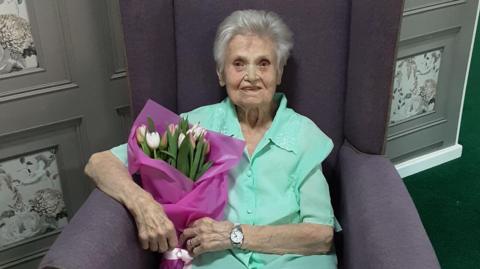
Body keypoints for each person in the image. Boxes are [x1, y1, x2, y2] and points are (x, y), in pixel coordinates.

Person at [85, 9, 341, 269]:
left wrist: (234, 235)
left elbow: (320, 235)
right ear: (221, 73)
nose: (251, 76)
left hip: (292, 260)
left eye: (263, 63)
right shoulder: (197, 126)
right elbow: (100, 163)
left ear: (279, 72)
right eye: (238, 64)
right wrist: (143, 205)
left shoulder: (303, 134)